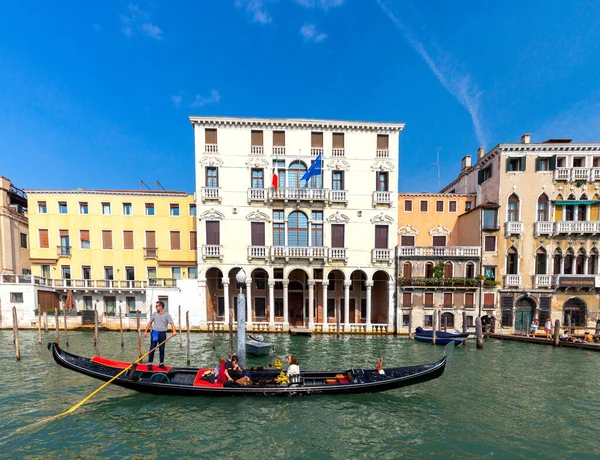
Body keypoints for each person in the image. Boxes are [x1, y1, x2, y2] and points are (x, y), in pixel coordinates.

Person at [143, 301, 177, 371]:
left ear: (161, 307)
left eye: (157, 306)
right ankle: (149, 364)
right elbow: (150, 323)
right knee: (152, 348)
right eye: (156, 306)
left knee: (162, 349)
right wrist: (146, 331)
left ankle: (161, 363)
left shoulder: (167, 315)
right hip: (155, 333)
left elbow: (172, 323)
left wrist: (174, 331)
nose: (156, 307)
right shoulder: (154, 314)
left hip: (162, 333)